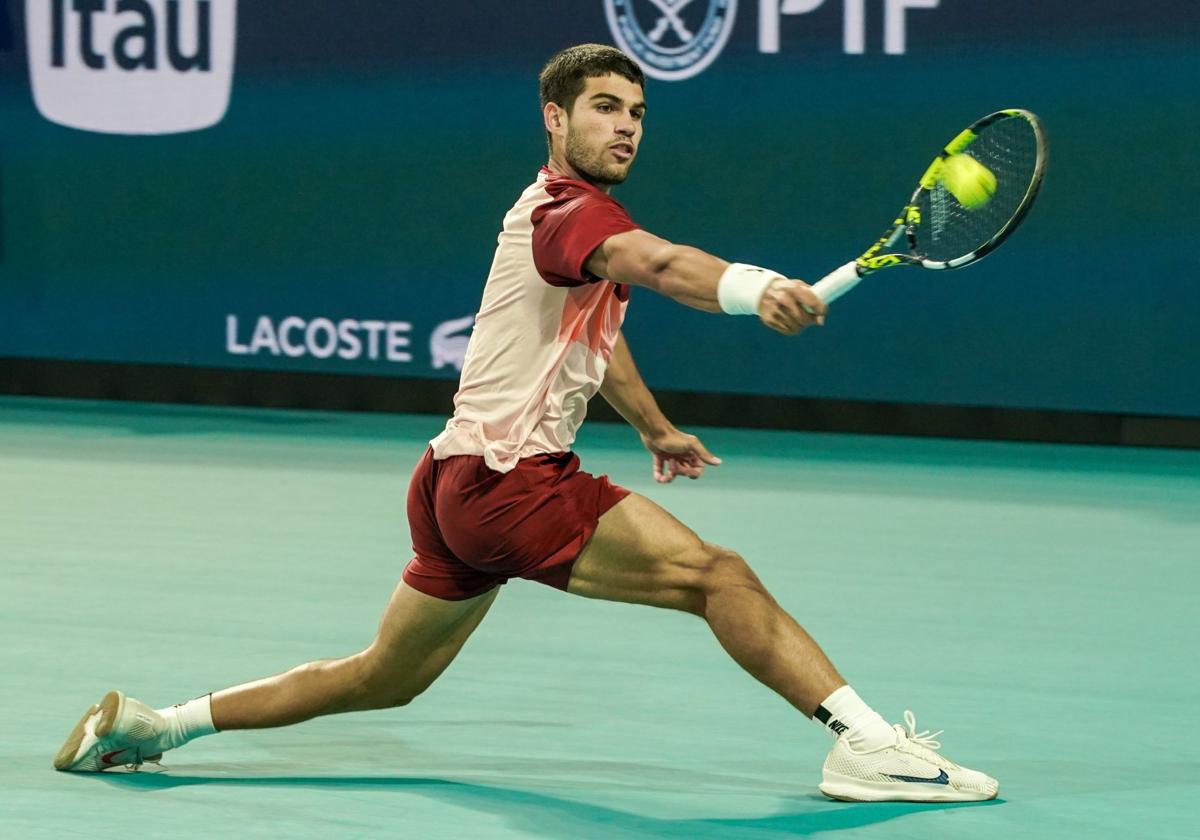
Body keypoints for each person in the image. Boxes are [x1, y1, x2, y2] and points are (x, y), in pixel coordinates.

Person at [54, 44, 997, 803]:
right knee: (719, 577)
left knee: (385, 675)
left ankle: (155, 724)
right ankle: (868, 748)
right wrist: (756, 289)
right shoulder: (566, 215)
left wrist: (654, 426)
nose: (625, 126)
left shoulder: (566, 222)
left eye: (636, 113)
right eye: (603, 108)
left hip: (450, 481)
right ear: (556, 118)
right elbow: (661, 264)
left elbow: (600, 334)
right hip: (511, 484)